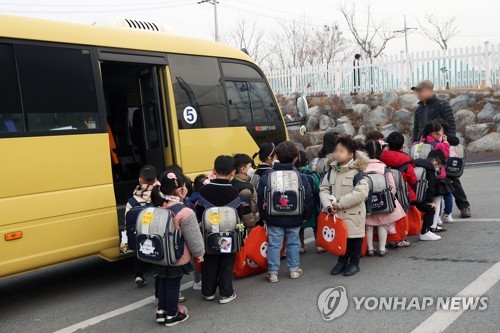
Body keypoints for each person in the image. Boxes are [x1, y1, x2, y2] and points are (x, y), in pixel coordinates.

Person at [150, 170, 205, 327]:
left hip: (160, 255)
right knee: (173, 284)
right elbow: (193, 237)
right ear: (181, 190)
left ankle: (161, 311)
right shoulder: (184, 211)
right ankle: (173, 315)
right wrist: (199, 254)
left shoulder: (157, 207)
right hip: (177, 255)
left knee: (163, 281)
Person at [257, 141, 314, 283]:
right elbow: (308, 198)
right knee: (293, 242)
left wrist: (264, 217)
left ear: (276, 156)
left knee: (274, 244)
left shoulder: (267, 177)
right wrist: (306, 216)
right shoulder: (300, 177)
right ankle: (294, 269)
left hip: (273, 217)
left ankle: (273, 272)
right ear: (295, 158)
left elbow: (260, 199)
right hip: (295, 216)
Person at [319, 137, 369, 277]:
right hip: (336, 213)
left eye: (341, 151)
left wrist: (340, 203)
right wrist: (328, 206)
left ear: (351, 153)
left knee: (354, 240)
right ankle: (341, 261)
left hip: (353, 214)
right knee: (340, 239)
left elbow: (361, 192)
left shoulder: (357, 172)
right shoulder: (331, 171)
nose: (337, 154)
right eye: (336, 150)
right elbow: (324, 189)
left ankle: (354, 263)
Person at [196, 155, 240, 304]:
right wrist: (241, 233)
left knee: (209, 261)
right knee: (226, 262)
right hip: (229, 235)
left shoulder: (204, 190)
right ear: (233, 172)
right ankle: (226, 293)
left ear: (214, 171)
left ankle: (208, 292)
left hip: (209, 234)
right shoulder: (234, 191)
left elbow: (199, 214)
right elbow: (239, 216)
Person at [363, 140, 407, 257]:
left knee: (369, 226)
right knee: (382, 224)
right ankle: (382, 248)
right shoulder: (383, 168)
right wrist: (388, 197)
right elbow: (392, 186)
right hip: (383, 201)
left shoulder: (362, 168)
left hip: (367, 202)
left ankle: (370, 248)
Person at [380, 132, 418, 248]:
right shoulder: (406, 162)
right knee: (401, 217)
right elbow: (413, 179)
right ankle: (399, 239)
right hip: (403, 195)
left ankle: (387, 239)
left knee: (387, 217)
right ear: (402, 146)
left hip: (386, 194)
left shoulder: (381, 159)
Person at [124, 165, 157, 287]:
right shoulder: (157, 196)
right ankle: (156, 272)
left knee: (139, 252)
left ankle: (138, 275)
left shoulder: (132, 200)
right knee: (157, 249)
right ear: (155, 180)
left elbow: (128, 218)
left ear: (139, 180)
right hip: (155, 230)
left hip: (139, 232)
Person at [420, 121, 454, 233]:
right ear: (434, 134)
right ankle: (433, 225)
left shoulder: (419, 144)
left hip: (421, 175)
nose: (442, 135)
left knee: (426, 201)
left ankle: (428, 224)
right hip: (436, 176)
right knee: (437, 201)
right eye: (441, 133)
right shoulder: (438, 145)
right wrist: (445, 143)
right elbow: (445, 156)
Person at [295, 150, 323, 254]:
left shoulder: (294, 175)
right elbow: (318, 188)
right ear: (307, 162)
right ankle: (319, 245)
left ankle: (301, 246)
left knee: (300, 228)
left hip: (299, 207)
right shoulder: (312, 174)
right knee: (316, 226)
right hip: (312, 205)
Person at [413, 150, 443, 241]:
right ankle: (425, 232)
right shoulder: (429, 169)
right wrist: (430, 202)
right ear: (434, 161)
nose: (438, 168)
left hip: (406, 195)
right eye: (439, 166)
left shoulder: (415, 163)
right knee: (430, 209)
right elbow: (430, 188)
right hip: (417, 196)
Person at [188, 174, 209, 291]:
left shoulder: (189, 200)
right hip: (203, 232)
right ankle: (203, 280)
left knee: (195, 258)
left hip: (193, 234)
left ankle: (197, 281)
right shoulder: (203, 200)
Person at [232, 153, 259, 229]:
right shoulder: (246, 188)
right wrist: (251, 226)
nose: (252, 169)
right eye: (250, 166)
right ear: (243, 170)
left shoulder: (232, 183)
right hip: (244, 226)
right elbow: (245, 210)